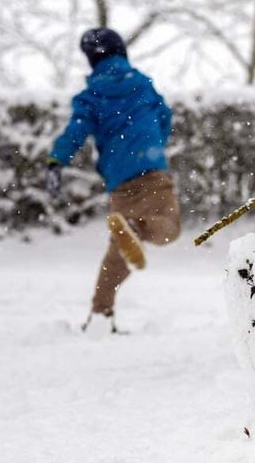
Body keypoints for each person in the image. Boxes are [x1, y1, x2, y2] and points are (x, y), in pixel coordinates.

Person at [46, 27, 181, 333]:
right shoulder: (142, 84)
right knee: (168, 228)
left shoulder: (90, 96)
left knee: (118, 252)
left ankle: (100, 315)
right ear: (121, 52)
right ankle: (138, 228)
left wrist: (56, 161)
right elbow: (164, 117)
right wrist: (154, 144)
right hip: (152, 169)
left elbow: (75, 131)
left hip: (119, 179)